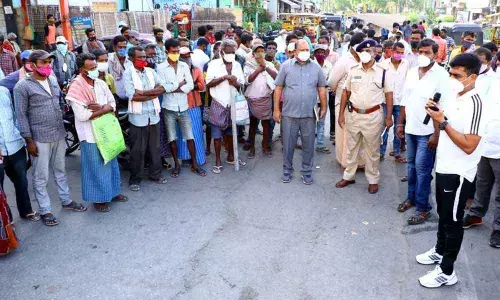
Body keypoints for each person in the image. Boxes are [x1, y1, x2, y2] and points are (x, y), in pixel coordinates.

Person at [416, 53, 485, 288]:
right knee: (444, 215)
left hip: (459, 172)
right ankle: (439, 251)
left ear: (473, 77)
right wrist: (435, 115)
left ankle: (447, 271)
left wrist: (443, 122)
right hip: (444, 165)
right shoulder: (455, 95)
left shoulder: (477, 104)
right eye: (451, 73)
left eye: (458, 75)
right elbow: (442, 126)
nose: (452, 78)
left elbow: (469, 145)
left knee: (454, 220)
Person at [14, 50, 87, 226]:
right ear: (31, 65)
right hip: (39, 137)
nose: (47, 65)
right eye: (42, 62)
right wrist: (28, 140)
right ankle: (45, 210)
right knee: (41, 176)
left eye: (48, 62)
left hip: (58, 133)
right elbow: (21, 115)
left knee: (60, 170)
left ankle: (66, 200)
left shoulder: (53, 80)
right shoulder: (22, 86)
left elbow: (60, 102)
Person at [396, 39, 451, 224]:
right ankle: (412, 198)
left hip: (428, 131)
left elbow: (441, 108)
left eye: (427, 52)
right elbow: (405, 100)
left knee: (422, 170)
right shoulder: (412, 72)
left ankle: (423, 208)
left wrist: (436, 134)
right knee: (411, 167)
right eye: (421, 52)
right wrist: (400, 124)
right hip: (411, 128)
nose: (424, 56)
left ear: (436, 54)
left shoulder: (441, 75)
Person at [65, 53, 127, 212]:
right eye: (91, 68)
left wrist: (102, 108)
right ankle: (99, 199)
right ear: (82, 70)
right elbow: (82, 115)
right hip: (90, 134)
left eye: (95, 67)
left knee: (111, 163)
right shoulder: (76, 88)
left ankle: (113, 193)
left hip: (106, 130)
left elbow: (112, 103)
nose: (95, 70)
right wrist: (105, 108)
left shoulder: (100, 83)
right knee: (95, 166)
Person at [335, 40, 394, 194]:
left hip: (373, 116)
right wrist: (341, 114)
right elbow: (345, 93)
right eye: (364, 51)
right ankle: (349, 176)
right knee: (351, 147)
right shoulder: (353, 70)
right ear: (360, 53)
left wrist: (389, 117)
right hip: (353, 114)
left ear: (375, 53)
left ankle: (373, 180)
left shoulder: (383, 72)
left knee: (372, 150)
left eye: (371, 51)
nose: (367, 54)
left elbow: (389, 95)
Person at [274, 39, 327, 185]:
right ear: (295, 52)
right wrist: (276, 109)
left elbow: (322, 88)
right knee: (288, 145)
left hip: (309, 115)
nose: (305, 53)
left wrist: (324, 107)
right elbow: (278, 88)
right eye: (302, 50)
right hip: (289, 114)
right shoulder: (286, 66)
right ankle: (287, 171)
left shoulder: (316, 67)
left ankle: (307, 172)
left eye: (307, 50)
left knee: (308, 145)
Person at [462, 60, 500, 248]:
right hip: (485, 143)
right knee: (482, 184)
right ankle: (476, 215)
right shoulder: (489, 80)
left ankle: (498, 229)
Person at [156, 40, 206, 178]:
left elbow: (190, 85)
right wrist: (179, 85)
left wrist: (174, 87)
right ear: (167, 52)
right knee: (172, 138)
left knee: (190, 136)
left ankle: (195, 164)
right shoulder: (160, 68)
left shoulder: (184, 65)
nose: (176, 54)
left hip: (184, 107)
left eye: (178, 52)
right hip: (168, 108)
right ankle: (177, 166)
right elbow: (162, 87)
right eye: (173, 52)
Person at [123, 46, 170, 191]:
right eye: (140, 57)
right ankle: (135, 178)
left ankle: (155, 174)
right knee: (138, 149)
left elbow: (162, 88)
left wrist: (145, 93)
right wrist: (152, 93)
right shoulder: (128, 74)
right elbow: (134, 96)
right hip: (138, 117)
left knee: (154, 147)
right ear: (131, 59)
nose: (144, 59)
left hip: (153, 115)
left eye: (144, 57)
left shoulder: (150, 71)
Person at [206, 39, 246, 174]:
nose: (230, 54)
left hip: (232, 103)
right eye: (228, 52)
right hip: (218, 102)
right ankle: (217, 160)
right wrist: (223, 78)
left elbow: (241, 85)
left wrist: (234, 82)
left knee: (231, 132)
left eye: (233, 52)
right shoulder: (214, 64)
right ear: (222, 52)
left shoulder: (237, 65)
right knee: (217, 134)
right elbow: (208, 84)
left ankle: (231, 156)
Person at [0, 87, 40, 222]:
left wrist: (23, 139)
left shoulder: (4, 91)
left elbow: (16, 116)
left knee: (21, 180)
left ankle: (26, 210)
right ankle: (7, 220)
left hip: (15, 144)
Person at [328, 32, 367, 168]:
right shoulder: (344, 61)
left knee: (359, 134)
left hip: (360, 103)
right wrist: (336, 90)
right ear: (352, 47)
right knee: (343, 133)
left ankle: (360, 162)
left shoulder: (364, 60)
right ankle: (344, 162)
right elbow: (332, 81)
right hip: (343, 101)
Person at [244, 44, 278, 159]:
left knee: (266, 124)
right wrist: (258, 69)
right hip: (253, 98)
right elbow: (247, 80)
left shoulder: (269, 64)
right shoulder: (249, 65)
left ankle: (265, 146)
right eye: (257, 51)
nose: (260, 53)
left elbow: (276, 77)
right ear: (253, 53)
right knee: (253, 124)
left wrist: (265, 67)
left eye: (262, 51)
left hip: (266, 98)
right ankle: (252, 148)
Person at [176, 47, 207, 167]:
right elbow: (175, 87)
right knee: (182, 134)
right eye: (184, 56)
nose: (187, 58)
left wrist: (188, 85)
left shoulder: (196, 70)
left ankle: (198, 159)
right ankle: (185, 158)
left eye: (188, 56)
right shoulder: (176, 71)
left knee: (196, 133)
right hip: (180, 106)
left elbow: (201, 86)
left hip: (194, 106)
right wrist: (191, 85)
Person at [379, 42, 409, 162]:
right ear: (392, 51)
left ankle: (397, 153)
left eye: (402, 53)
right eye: (398, 52)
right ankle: (381, 152)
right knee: (384, 128)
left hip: (400, 101)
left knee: (399, 127)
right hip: (385, 101)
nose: (399, 55)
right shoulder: (383, 65)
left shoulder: (406, 64)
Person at [312, 44, 333, 154]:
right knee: (310, 122)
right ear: (314, 54)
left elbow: (330, 81)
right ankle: (309, 144)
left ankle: (320, 144)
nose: (320, 54)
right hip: (312, 97)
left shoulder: (329, 65)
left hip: (324, 97)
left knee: (321, 121)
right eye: (318, 52)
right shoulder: (311, 65)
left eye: (322, 52)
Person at [108, 35, 133, 101]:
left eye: (124, 47)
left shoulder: (130, 59)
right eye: (120, 47)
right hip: (116, 96)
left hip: (131, 95)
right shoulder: (109, 60)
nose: (122, 49)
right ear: (114, 48)